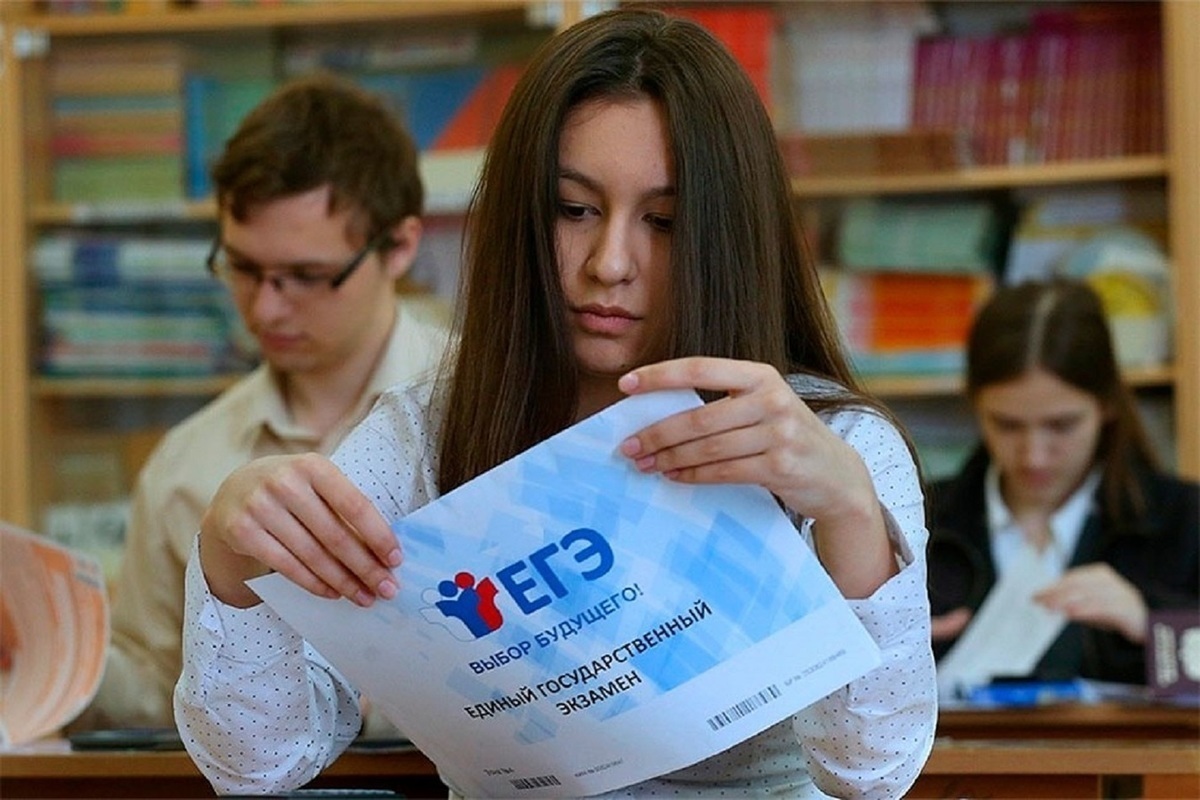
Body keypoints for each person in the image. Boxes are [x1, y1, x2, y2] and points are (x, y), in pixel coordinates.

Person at [175, 9, 937, 798]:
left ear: (727, 237)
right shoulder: (423, 431)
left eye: (664, 222)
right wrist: (231, 556)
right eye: (574, 210)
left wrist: (850, 513)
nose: (609, 263)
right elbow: (258, 766)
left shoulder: (829, 444)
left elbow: (872, 771)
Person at [70, 73, 451, 731]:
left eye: (306, 276)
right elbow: (157, 692)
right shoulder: (184, 464)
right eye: (243, 269)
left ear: (400, 245)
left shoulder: (483, 406)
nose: (266, 309)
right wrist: (47, 653)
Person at [927, 278, 1199, 685]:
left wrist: (1150, 623)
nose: (1034, 455)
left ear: (1107, 405)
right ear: (974, 405)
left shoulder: (1185, 521)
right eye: (1007, 425)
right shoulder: (914, 522)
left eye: (1062, 425)